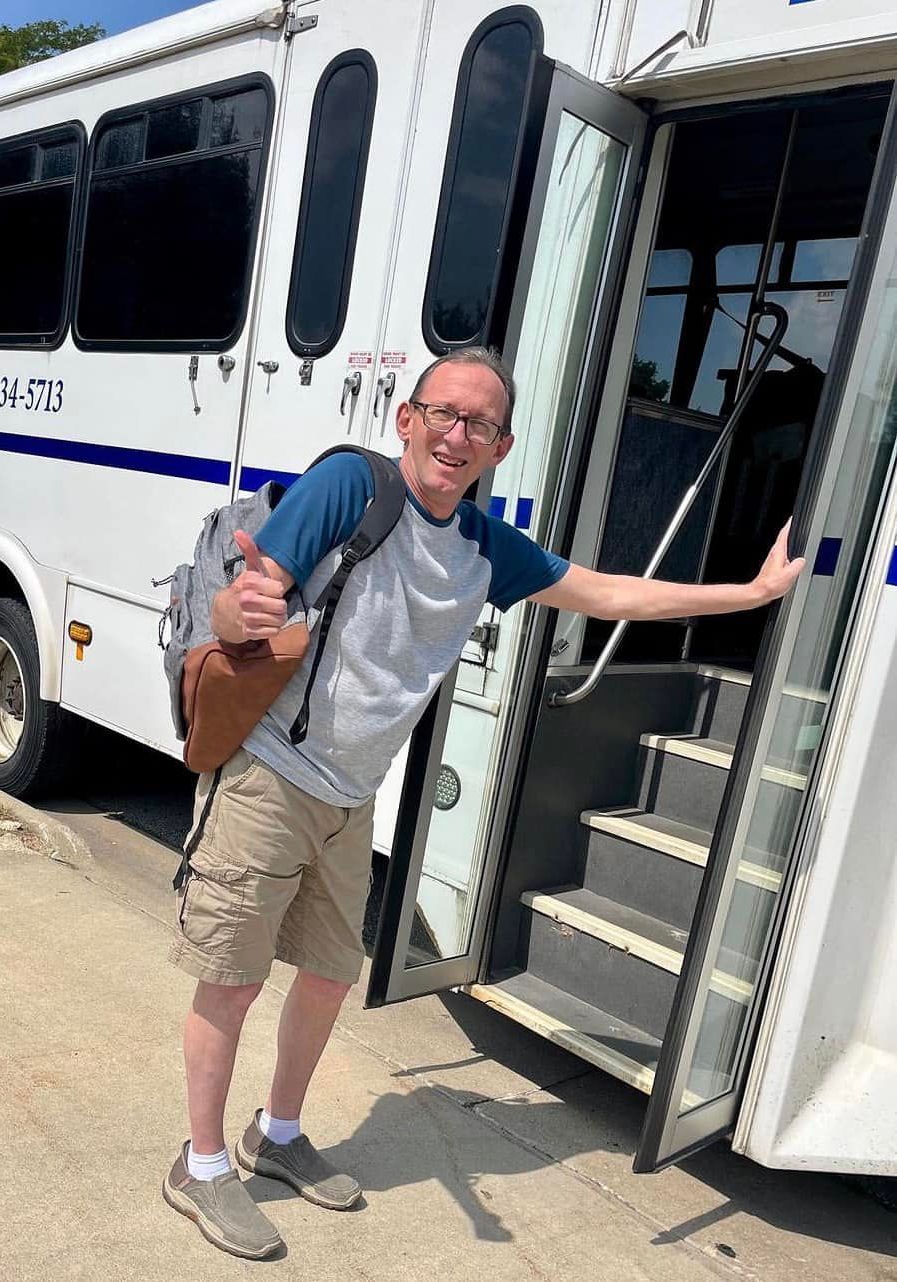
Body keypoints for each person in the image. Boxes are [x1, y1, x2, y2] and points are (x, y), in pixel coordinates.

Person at [161, 347, 805, 1259]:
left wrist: (750, 592)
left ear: (501, 448)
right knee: (231, 976)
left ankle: (281, 1135)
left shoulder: (481, 546)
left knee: (332, 972)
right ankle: (203, 1165)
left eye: (482, 426)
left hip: (352, 797)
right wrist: (240, 613)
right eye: (446, 414)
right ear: (408, 420)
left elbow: (606, 589)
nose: (459, 436)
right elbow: (242, 605)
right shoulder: (351, 488)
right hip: (269, 774)